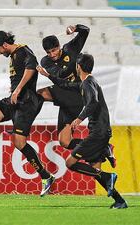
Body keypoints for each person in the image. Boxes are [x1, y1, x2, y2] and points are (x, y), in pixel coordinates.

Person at [0, 31, 55, 197]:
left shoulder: (23, 51)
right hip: (14, 101)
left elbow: (31, 68)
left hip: (26, 104)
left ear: (4, 45)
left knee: (19, 143)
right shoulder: (14, 56)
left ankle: (46, 176)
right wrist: (14, 90)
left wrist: (18, 89)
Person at [43, 53, 127, 209]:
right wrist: (48, 75)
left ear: (78, 67)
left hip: (98, 133)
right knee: (95, 169)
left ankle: (109, 176)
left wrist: (78, 119)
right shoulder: (87, 82)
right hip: (99, 132)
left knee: (70, 162)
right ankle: (120, 200)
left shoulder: (88, 84)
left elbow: (93, 102)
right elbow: (65, 85)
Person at [36, 24, 116, 168]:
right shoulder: (45, 61)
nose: (52, 55)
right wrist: (50, 74)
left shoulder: (70, 48)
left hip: (78, 94)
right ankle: (103, 148)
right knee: (64, 141)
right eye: (48, 52)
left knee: (38, 94)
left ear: (59, 46)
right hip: (65, 96)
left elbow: (86, 31)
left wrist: (75, 28)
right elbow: (60, 74)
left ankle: (23, 124)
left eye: (54, 50)